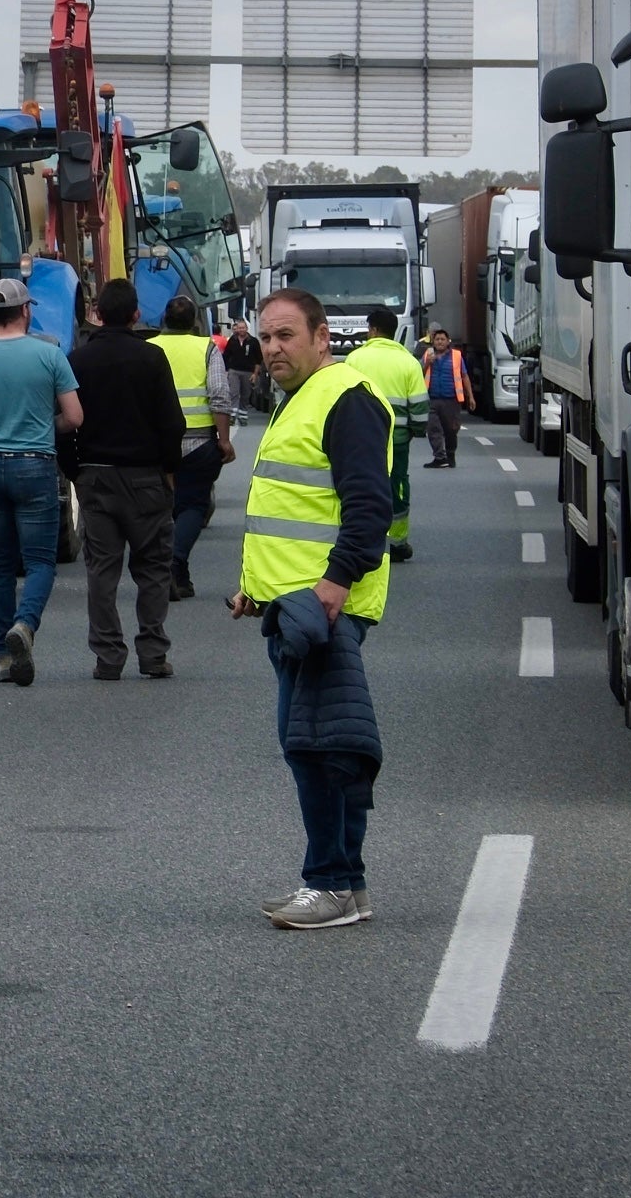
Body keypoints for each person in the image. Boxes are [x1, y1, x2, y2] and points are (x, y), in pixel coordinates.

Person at [232, 287, 395, 931]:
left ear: (321, 336)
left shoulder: (346, 398)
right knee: (323, 739)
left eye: (286, 336)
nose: (272, 348)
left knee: (314, 747)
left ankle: (327, 882)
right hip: (293, 607)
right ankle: (345, 886)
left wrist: (334, 587)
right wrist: (256, 589)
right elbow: (292, 512)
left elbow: (368, 507)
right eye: (266, 337)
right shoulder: (298, 399)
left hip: (321, 609)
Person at [0, 275, 84, 686]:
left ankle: (2, 658)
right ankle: (24, 626)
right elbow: (75, 417)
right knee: (41, 561)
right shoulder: (50, 355)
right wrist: (44, 426)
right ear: (25, 311)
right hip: (35, 464)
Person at [67, 278, 186, 679]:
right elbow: (173, 423)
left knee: (102, 570)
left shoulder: (78, 360)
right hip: (145, 477)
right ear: (136, 314)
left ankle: (108, 657)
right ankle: (152, 653)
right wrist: (168, 470)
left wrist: (75, 471)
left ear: (97, 314)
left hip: (96, 477)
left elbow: (66, 423)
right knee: (152, 568)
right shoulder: (151, 358)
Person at [154, 295, 238, 599]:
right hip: (199, 441)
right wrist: (224, 439)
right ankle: (175, 564)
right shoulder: (207, 348)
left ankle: (175, 571)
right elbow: (219, 394)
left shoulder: (150, 347)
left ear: (164, 319)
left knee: (162, 506)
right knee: (192, 505)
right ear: (194, 322)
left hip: (156, 442)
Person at [347, 307, 429, 563]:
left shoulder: (354, 359)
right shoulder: (408, 362)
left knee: (357, 487)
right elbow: (418, 404)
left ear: (372, 330)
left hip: (359, 437)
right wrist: (416, 430)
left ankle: (358, 540)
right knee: (396, 486)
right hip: (398, 438)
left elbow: (343, 398)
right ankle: (397, 543)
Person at [423, 329, 472, 468]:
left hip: (451, 399)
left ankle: (450, 454)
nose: (439, 342)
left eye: (442, 339)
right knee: (433, 429)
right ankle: (440, 456)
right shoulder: (428, 355)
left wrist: (471, 396)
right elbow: (419, 374)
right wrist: (427, 363)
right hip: (432, 398)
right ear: (433, 341)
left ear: (448, 341)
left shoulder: (456, 356)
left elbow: (464, 376)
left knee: (451, 430)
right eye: (437, 339)